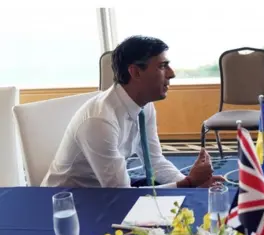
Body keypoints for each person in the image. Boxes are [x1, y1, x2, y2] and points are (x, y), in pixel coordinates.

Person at [41, 35, 225, 188]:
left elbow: (155, 161)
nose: (171, 73)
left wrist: (192, 184)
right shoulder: (100, 120)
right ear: (135, 72)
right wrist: (189, 183)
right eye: (162, 66)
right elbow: (122, 196)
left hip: (103, 190)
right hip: (71, 201)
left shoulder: (145, 105)